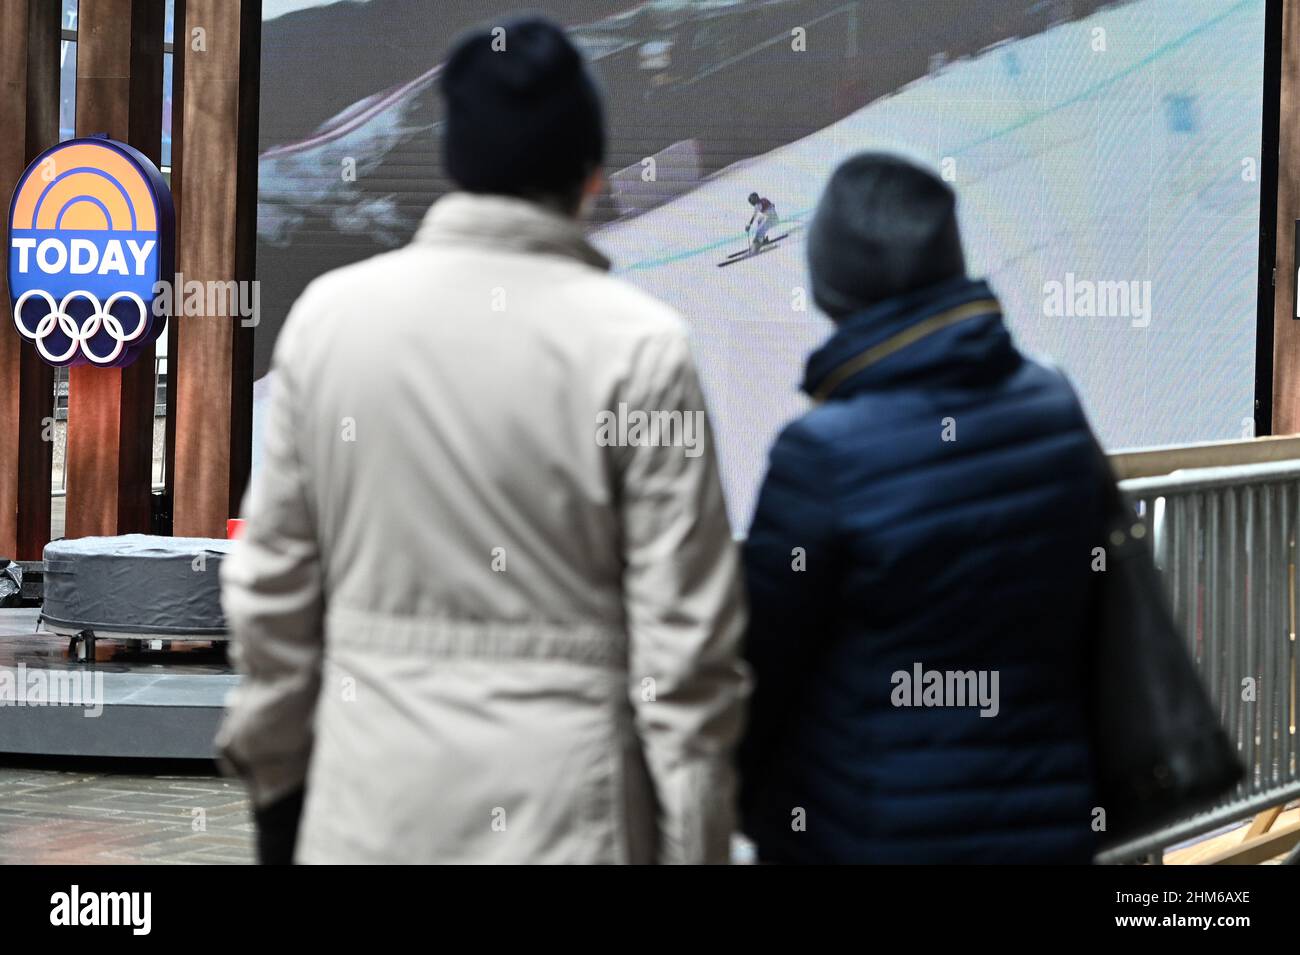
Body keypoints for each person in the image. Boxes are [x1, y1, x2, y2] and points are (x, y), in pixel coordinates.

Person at [217, 16, 748, 864]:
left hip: (371, 804)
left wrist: (278, 782)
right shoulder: (641, 346)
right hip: (573, 818)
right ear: (591, 174)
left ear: (453, 163)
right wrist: (697, 836)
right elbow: (687, 639)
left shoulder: (331, 322)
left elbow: (272, 588)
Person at [738, 153, 1102, 864]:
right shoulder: (1052, 408)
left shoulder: (821, 452)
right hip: (1044, 825)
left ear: (833, 285)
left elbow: (765, 666)